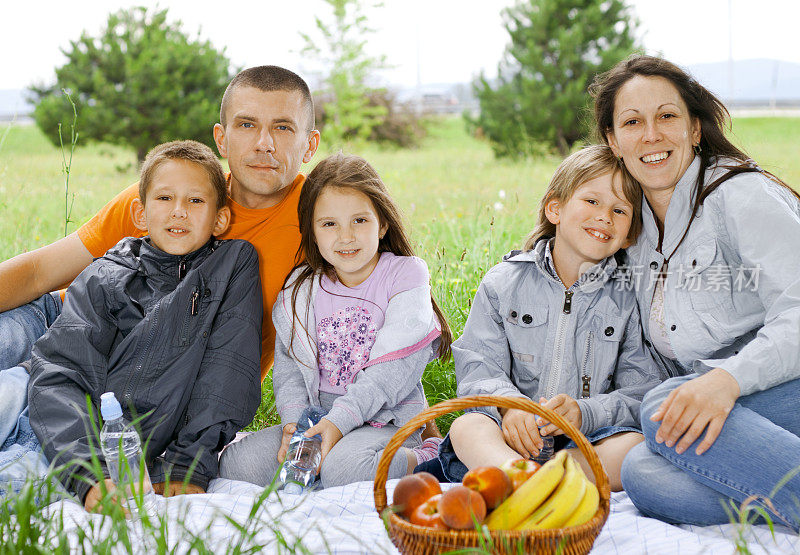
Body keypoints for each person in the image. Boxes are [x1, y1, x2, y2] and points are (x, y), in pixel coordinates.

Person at [0, 65, 320, 381]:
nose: (264, 143)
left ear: (309, 145)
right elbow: (39, 272)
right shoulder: (166, 197)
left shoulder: (324, 221)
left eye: (283, 127)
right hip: (61, 320)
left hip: (138, 382)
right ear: (221, 139)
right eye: (247, 124)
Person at [590, 55, 800, 529]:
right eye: (632, 122)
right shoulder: (632, 228)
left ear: (696, 129)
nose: (651, 135)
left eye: (667, 116)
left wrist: (727, 382)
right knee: (645, 474)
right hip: (744, 420)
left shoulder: (739, 195)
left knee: (663, 408)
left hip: (784, 385)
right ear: (613, 141)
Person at [1, 140, 263, 510]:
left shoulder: (231, 267)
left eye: (195, 201)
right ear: (140, 213)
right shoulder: (107, 275)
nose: (179, 212)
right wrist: (87, 470)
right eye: (164, 199)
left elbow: (228, 371)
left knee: (13, 488)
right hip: (42, 401)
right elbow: (62, 368)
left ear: (220, 218)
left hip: (98, 445)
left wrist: (186, 464)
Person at [436, 145, 663, 492]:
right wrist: (512, 409)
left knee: (631, 448)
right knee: (467, 428)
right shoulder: (503, 282)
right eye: (592, 201)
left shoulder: (628, 298)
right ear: (555, 208)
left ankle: (547, 482)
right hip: (509, 439)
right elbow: (479, 366)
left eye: (619, 210)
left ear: (630, 233)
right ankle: (516, 474)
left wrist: (585, 413)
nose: (605, 216)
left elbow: (640, 390)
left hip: (583, 444)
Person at [219, 153, 453, 488]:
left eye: (360, 220)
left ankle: (427, 455)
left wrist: (338, 425)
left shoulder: (404, 275)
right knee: (236, 464)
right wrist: (296, 427)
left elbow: (390, 374)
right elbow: (289, 370)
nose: (346, 237)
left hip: (382, 418)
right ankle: (320, 462)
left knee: (345, 470)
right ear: (312, 232)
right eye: (329, 224)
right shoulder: (301, 288)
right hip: (317, 417)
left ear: (382, 223)